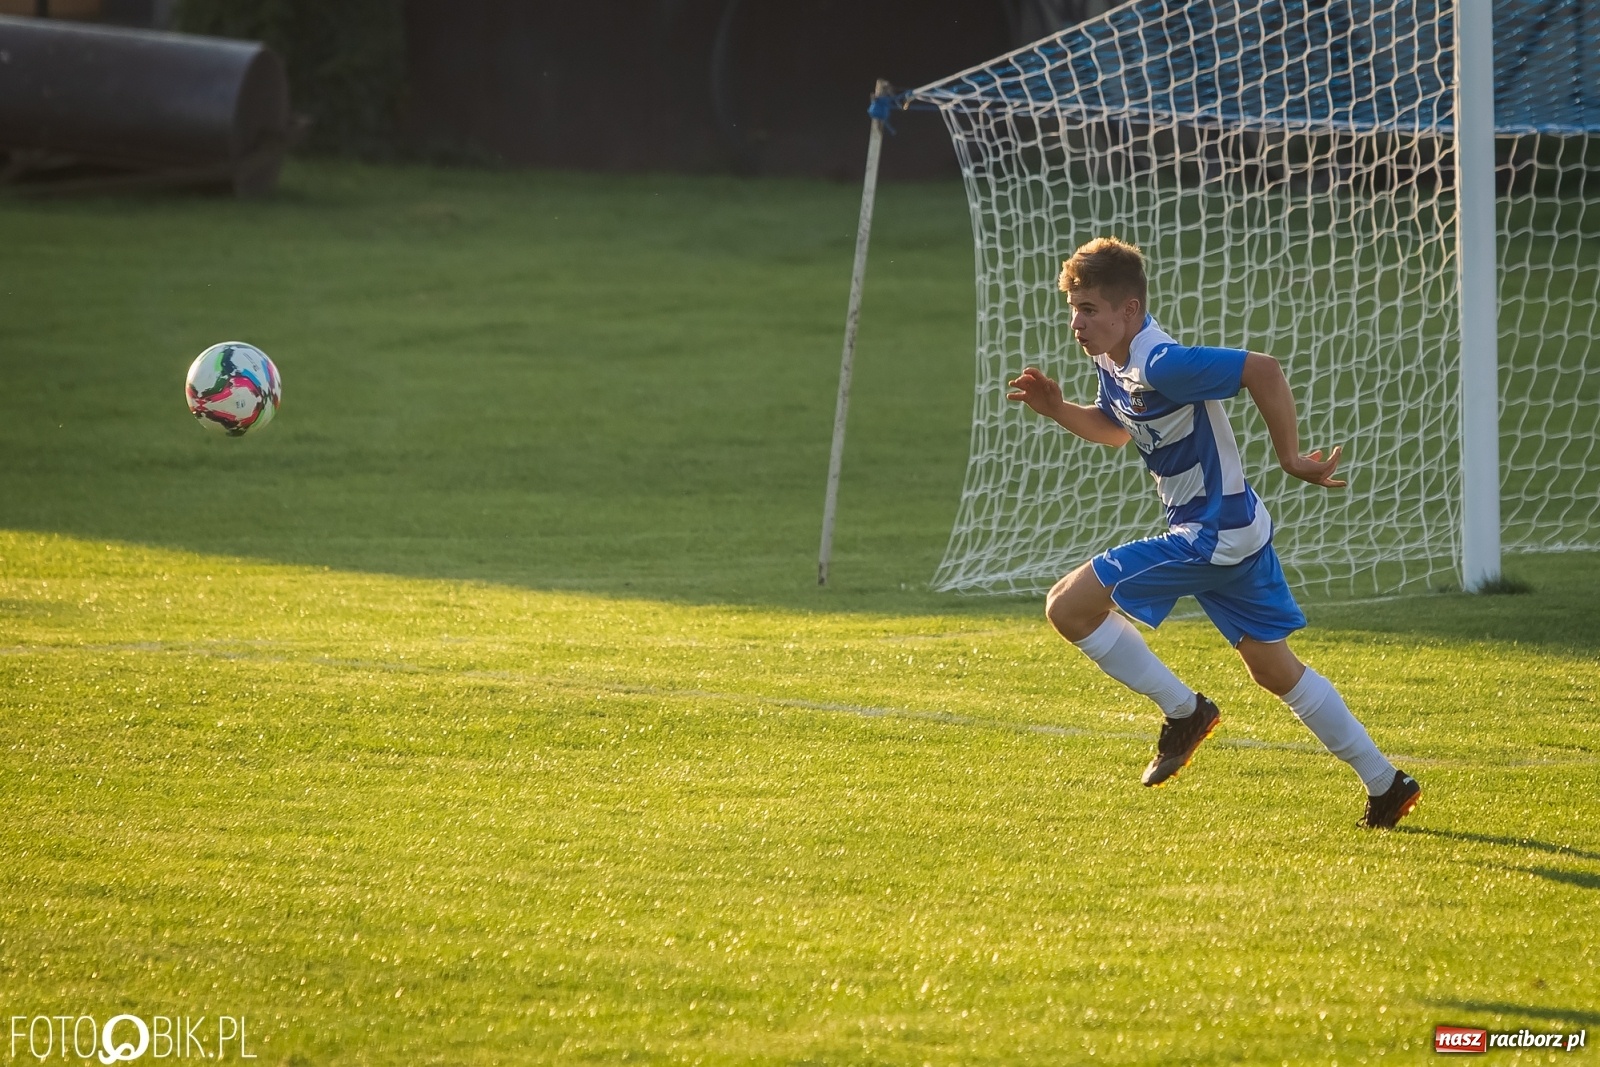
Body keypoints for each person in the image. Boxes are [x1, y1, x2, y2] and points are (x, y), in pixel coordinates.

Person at [1006, 236, 1420, 828]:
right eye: (1072, 308)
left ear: (1129, 310)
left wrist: (1291, 457)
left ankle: (1186, 712)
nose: (1077, 323)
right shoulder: (1113, 359)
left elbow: (1263, 370)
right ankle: (1387, 784)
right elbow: (1117, 428)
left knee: (1068, 607)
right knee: (1274, 670)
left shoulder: (1160, 361)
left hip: (1212, 534)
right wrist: (1060, 410)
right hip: (1235, 530)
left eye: (1089, 309)